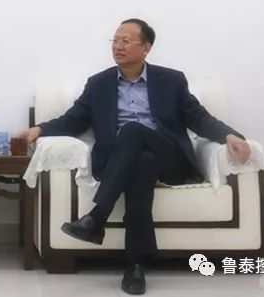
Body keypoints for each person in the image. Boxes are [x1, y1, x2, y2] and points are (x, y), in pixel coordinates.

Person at [17, 18, 250, 295]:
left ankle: (98, 216)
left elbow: (198, 118)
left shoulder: (171, 80)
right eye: (115, 40)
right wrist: (39, 129)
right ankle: (135, 266)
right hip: (121, 162)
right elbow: (73, 120)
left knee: (133, 130)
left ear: (146, 48)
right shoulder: (99, 83)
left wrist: (230, 135)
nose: (118, 46)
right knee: (142, 163)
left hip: (170, 161)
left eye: (126, 41)